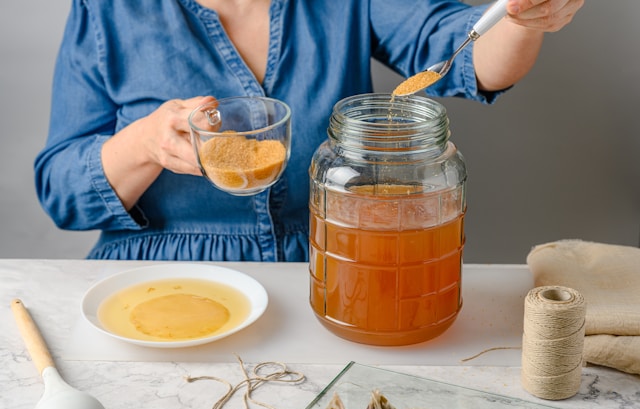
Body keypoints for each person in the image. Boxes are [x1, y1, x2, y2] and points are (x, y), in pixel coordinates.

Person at [34, 0, 584, 261]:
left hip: (328, 263)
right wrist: (144, 144)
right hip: (155, 273)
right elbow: (61, 195)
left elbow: (467, 57)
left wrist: (520, 16)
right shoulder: (108, 11)